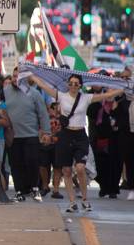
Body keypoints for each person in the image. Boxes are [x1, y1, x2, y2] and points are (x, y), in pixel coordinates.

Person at [31, 72, 124, 212]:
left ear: (80, 85)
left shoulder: (86, 98)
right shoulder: (61, 96)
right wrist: (32, 75)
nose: (73, 86)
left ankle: (85, 200)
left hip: (80, 135)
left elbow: (106, 96)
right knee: (66, 170)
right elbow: (43, 86)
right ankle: (72, 202)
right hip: (66, 135)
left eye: (76, 84)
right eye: (71, 83)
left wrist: (124, 87)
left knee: (80, 168)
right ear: (67, 85)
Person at [3, 72, 51, 202]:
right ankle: (19, 191)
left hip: (31, 134)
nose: (15, 78)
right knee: (15, 164)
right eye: (13, 76)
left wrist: (46, 132)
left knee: (32, 161)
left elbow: (43, 114)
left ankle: (34, 187)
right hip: (13, 135)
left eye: (17, 76)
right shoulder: (4, 92)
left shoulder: (34, 93)